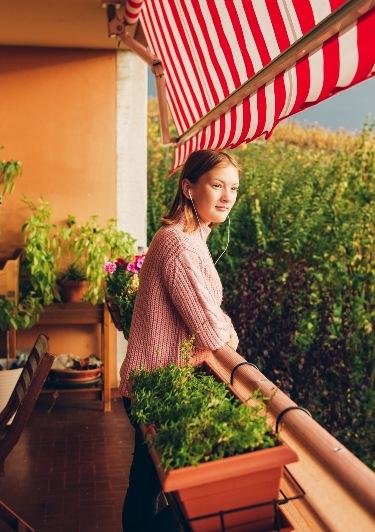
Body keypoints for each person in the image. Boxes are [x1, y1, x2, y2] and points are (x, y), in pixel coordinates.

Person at [118, 149, 241, 531]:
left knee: (147, 486)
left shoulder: (189, 239)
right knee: (188, 494)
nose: (226, 197)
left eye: (233, 188)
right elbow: (210, 330)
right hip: (158, 387)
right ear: (189, 188)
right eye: (217, 185)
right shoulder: (179, 245)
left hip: (155, 385)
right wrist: (230, 335)